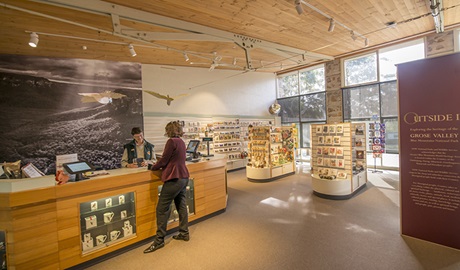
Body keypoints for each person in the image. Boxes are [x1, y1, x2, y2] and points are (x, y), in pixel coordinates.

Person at [144, 121, 190, 254]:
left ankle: (159, 241)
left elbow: (164, 160)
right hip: (183, 177)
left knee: (162, 209)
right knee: (181, 205)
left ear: (169, 130)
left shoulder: (171, 141)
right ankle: (184, 232)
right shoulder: (181, 141)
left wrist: (153, 166)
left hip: (174, 179)